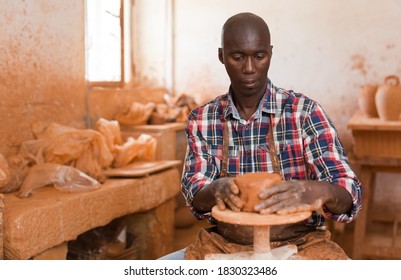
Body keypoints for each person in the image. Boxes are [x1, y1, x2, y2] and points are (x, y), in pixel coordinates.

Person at [161, 12, 362, 260]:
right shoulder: (203, 119)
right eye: (237, 57)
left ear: (270, 53)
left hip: (301, 243)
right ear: (221, 56)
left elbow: (349, 192)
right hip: (225, 243)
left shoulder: (304, 112)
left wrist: (320, 191)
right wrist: (215, 190)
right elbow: (195, 196)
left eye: (259, 56)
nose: (249, 68)